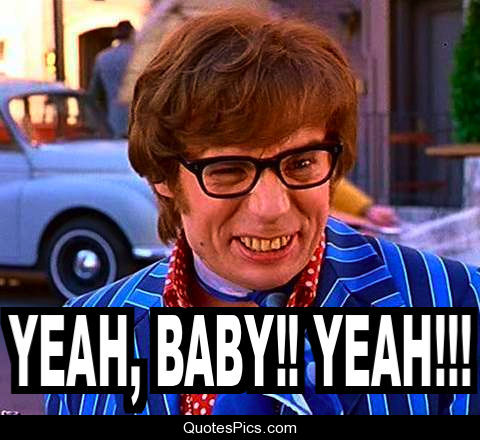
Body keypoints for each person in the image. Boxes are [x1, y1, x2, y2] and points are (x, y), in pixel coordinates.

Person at [46, 9, 479, 415]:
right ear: (163, 176)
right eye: (228, 170)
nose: (271, 208)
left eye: (301, 164)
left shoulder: (456, 304)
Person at [88, 20, 135, 138]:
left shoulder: (102, 57)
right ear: (132, 34)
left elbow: (94, 93)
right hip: (137, 118)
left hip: (113, 119)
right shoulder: (138, 56)